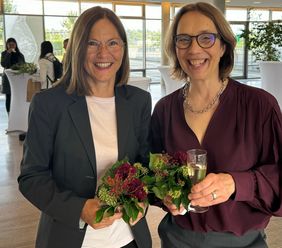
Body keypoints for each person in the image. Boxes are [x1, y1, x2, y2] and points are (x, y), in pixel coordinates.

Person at [18, 6, 152, 248]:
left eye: (112, 43)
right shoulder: (49, 104)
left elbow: (144, 165)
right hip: (69, 238)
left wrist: (143, 198)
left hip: (129, 239)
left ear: (123, 48)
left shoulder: (138, 102)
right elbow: (32, 177)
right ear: (78, 48)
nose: (104, 53)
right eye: (92, 43)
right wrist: (80, 209)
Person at [150, 2, 282, 248]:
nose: (194, 49)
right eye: (184, 40)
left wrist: (236, 183)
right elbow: (154, 173)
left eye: (206, 38)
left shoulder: (260, 106)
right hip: (176, 239)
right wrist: (164, 194)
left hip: (242, 243)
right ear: (175, 49)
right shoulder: (164, 110)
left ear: (223, 46)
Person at [1, 37, 25, 114]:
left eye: (13, 44)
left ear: (15, 45)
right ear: (7, 45)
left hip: (18, 79)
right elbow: (4, 64)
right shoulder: (4, 53)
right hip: (8, 79)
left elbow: (23, 65)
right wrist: (8, 53)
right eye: (9, 44)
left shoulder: (19, 54)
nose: (11, 46)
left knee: (17, 96)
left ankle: (17, 113)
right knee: (8, 97)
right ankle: (9, 114)